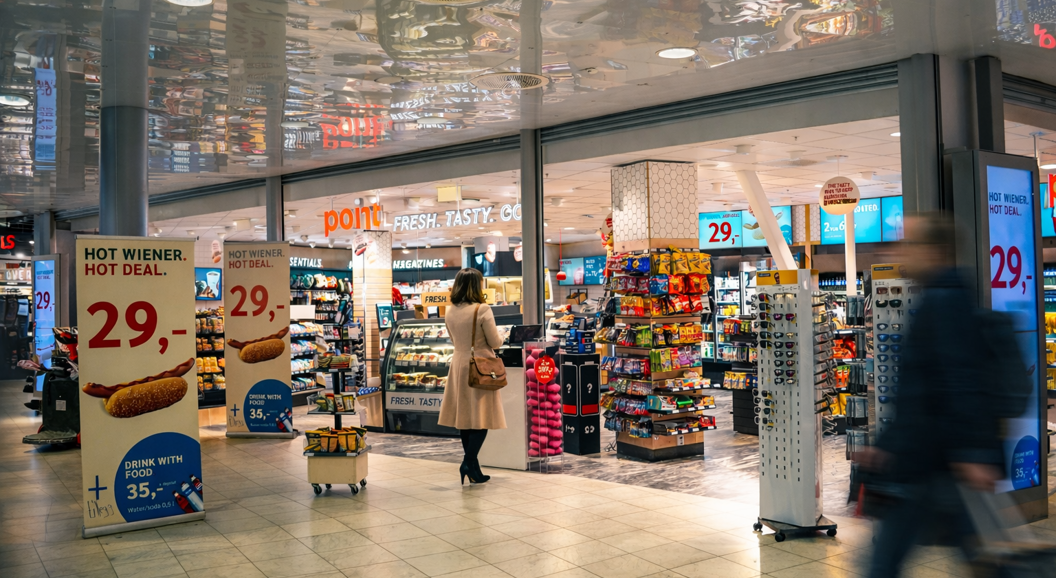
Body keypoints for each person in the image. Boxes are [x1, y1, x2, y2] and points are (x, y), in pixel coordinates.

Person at [860, 214, 1013, 577]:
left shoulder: (944, 303)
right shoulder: (943, 298)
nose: (900, 252)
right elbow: (925, 387)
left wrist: (973, 452)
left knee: (883, 563)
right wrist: (887, 443)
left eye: (907, 245)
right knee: (977, 555)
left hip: (931, 463)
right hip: (932, 460)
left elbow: (959, 380)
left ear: (933, 251)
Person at [438, 268, 507, 484]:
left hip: (458, 364)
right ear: (476, 285)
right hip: (480, 366)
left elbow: (452, 339)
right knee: (482, 418)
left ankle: (473, 469)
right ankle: (468, 462)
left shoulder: (449, 311)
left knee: (466, 419)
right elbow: (495, 342)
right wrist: (504, 335)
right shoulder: (482, 309)